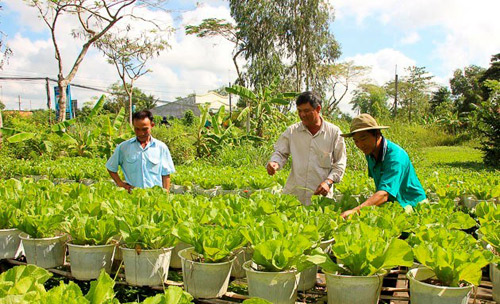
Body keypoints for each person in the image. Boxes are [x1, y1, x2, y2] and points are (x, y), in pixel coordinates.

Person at [267, 91, 347, 205]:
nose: (302, 115)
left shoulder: (334, 133)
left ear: (318, 109)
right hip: (294, 197)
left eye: (306, 111)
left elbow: (340, 164)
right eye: (299, 111)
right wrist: (275, 162)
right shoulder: (292, 131)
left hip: (319, 198)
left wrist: (328, 182)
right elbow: (280, 153)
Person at [340, 114, 426, 218]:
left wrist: (355, 211)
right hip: (394, 207)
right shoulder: (370, 153)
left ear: (377, 134)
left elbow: (384, 194)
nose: (360, 145)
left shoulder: (396, 157)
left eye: (363, 138)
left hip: (413, 206)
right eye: (356, 141)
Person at [106, 110, 175, 192]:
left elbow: (166, 174)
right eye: (137, 129)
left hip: (155, 197)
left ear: (152, 125)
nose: (141, 133)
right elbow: (111, 167)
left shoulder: (161, 147)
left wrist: (165, 194)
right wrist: (121, 184)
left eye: (145, 129)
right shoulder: (123, 147)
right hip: (132, 197)